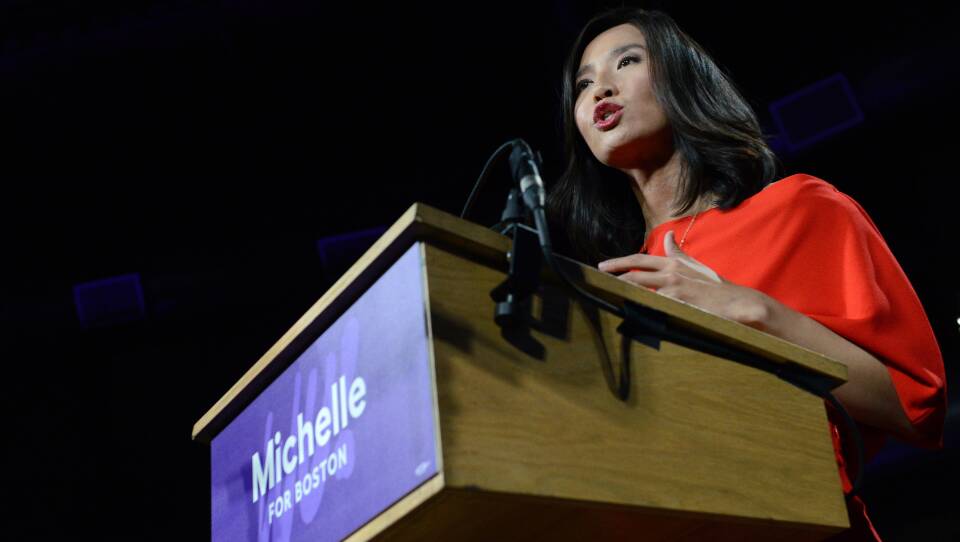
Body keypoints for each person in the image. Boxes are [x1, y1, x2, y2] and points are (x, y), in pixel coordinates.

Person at [545, 7, 947, 541]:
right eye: (584, 83)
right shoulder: (612, 284)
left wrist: (753, 311)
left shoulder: (802, 209)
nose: (601, 90)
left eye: (627, 62)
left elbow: (917, 408)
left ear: (685, 78)